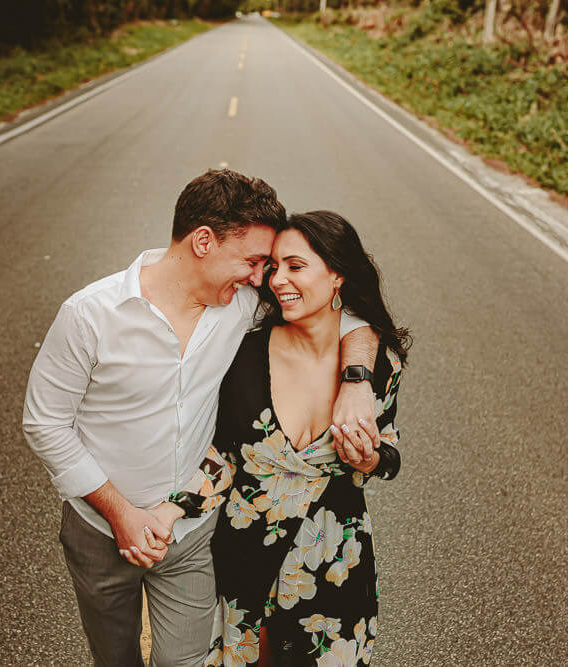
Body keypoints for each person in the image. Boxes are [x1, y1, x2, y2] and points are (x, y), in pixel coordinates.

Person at [22, 171, 381, 667]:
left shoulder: (241, 305)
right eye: (255, 261)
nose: (262, 278)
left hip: (191, 531)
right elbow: (45, 424)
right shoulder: (89, 315)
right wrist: (121, 515)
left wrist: (358, 379)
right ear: (204, 241)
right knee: (115, 658)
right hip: (100, 529)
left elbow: (340, 312)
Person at [159, 211, 410, 666]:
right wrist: (173, 509)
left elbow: (389, 451)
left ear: (337, 275)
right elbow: (224, 457)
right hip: (244, 558)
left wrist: (371, 460)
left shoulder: (378, 364)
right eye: (274, 267)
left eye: (296, 266)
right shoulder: (246, 353)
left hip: (333, 562)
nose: (277, 280)